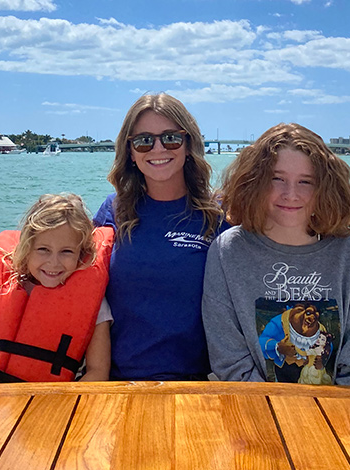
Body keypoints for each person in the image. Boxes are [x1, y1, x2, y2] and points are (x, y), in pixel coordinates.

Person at [202, 123, 350, 386]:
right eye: (276, 178)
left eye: (305, 182)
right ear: (255, 181)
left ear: (324, 188)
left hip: (340, 416)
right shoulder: (227, 252)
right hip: (257, 410)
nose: (290, 194)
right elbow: (231, 361)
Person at [93, 93, 229, 380]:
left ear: (188, 144)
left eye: (170, 138)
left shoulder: (219, 217)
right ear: (130, 151)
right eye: (143, 140)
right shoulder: (112, 211)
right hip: (119, 385)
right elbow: (60, 272)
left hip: (199, 388)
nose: (157, 148)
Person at [0, 194, 114, 384]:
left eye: (66, 252)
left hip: (52, 404)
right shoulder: (3, 288)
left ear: (80, 254)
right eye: (43, 250)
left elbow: (98, 372)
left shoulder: (94, 303)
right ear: (27, 247)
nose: (53, 263)